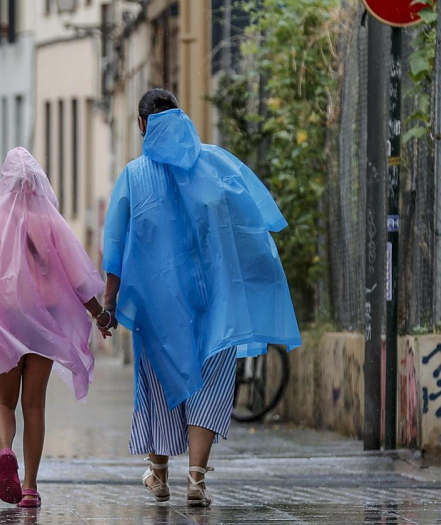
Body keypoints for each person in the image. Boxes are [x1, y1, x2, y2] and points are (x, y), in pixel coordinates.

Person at [99, 89, 301, 507]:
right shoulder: (216, 164)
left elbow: (116, 247)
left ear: (141, 125)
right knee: (209, 387)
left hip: (158, 308)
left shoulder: (134, 176)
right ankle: (196, 480)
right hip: (216, 303)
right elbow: (248, 226)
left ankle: (158, 473)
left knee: (159, 386)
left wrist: (109, 304)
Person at [0, 147, 112, 508]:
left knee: (1, 401)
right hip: (44, 321)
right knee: (34, 406)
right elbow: (78, 277)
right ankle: (29, 486)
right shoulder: (50, 222)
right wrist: (99, 315)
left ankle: (5, 450)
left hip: (3, 324)